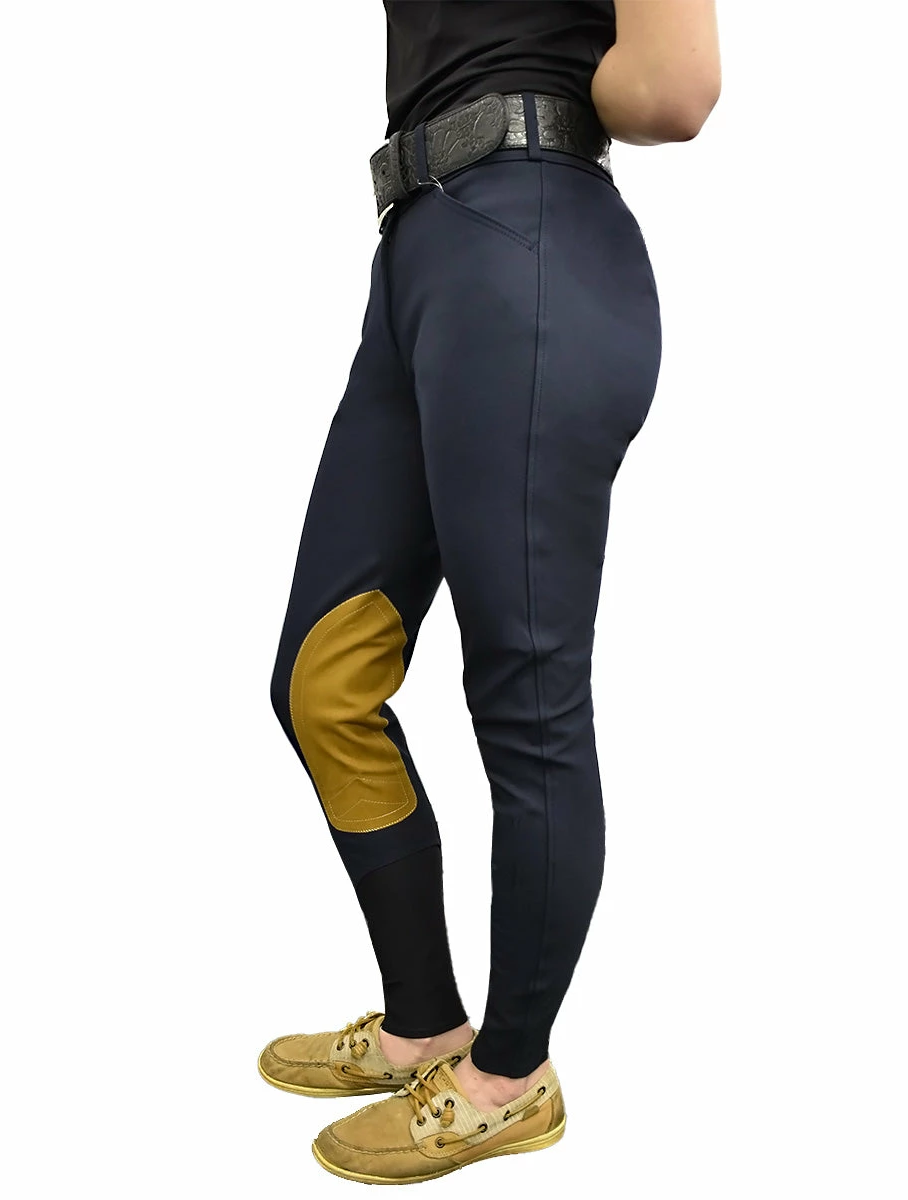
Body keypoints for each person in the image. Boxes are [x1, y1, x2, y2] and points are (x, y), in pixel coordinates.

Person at [257, 0, 721, 1184]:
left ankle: (511, 1076)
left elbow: (676, 88)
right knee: (321, 681)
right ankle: (425, 1024)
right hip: (425, 251)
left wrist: (537, 105)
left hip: (527, 240)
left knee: (526, 700)